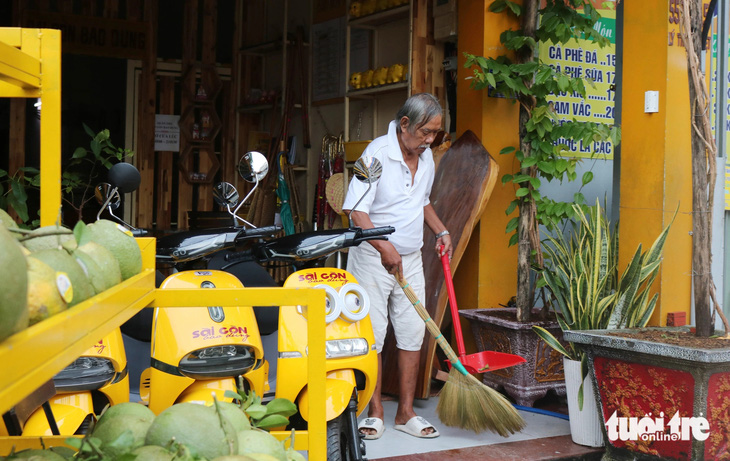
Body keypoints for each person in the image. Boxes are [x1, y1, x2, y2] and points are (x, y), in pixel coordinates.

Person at [342, 93, 452, 440]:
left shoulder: (427, 156)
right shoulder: (374, 155)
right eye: (425, 132)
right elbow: (356, 211)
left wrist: (441, 230)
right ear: (404, 124)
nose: (430, 140)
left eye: (435, 133)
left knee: (411, 333)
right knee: (372, 335)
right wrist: (383, 246)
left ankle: (405, 413)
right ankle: (374, 412)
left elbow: (421, 202)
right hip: (373, 258)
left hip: (411, 258)